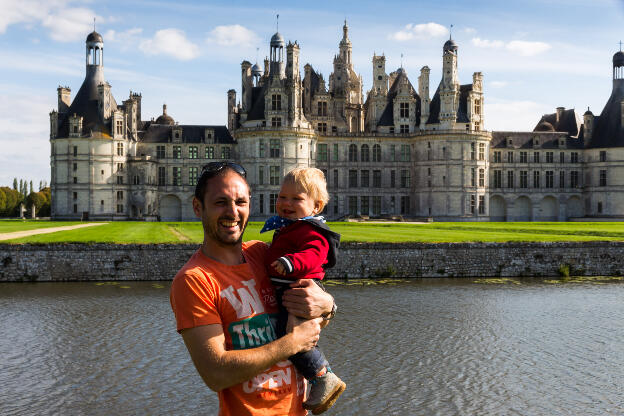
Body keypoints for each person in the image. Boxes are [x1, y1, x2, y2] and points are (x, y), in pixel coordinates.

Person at [170, 162, 336, 416]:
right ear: (197, 207)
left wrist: (328, 305)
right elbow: (216, 373)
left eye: (240, 202)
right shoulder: (194, 280)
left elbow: (311, 299)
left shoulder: (262, 254)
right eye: (220, 202)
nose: (232, 212)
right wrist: (293, 342)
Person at [261, 168, 345, 415]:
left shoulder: (311, 230)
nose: (286, 203)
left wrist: (290, 262)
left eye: (296, 199)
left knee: (296, 339)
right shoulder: (292, 226)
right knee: (289, 335)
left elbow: (313, 255)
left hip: (300, 288)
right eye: (282, 197)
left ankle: (322, 376)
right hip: (289, 289)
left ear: (316, 206)